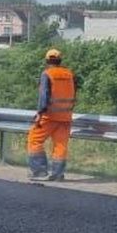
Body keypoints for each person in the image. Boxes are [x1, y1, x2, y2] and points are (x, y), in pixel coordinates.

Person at [28, 48, 76, 181]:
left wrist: (40, 112)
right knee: (60, 145)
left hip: (49, 116)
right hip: (66, 116)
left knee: (34, 140)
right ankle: (58, 174)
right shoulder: (69, 74)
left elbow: (44, 96)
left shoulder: (47, 74)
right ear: (60, 60)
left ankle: (39, 171)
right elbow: (74, 92)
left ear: (47, 60)